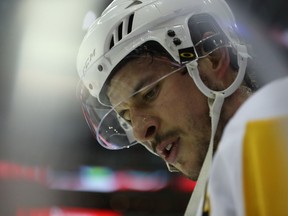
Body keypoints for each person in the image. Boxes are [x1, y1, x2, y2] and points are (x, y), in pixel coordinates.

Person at [76, 0, 288, 215]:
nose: (140, 132)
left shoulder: (267, 120)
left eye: (150, 93)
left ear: (213, 57)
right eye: (127, 118)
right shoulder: (222, 185)